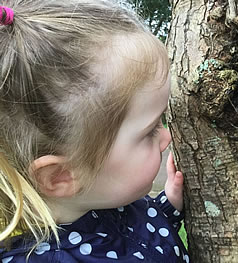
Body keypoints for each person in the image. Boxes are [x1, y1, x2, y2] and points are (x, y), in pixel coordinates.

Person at [0, 1, 189, 262]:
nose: (167, 137)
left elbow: (140, 236)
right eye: (149, 131)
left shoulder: (108, 199)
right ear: (61, 176)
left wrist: (167, 206)